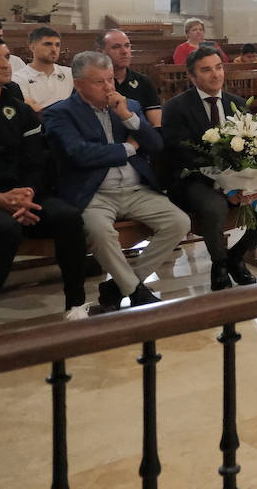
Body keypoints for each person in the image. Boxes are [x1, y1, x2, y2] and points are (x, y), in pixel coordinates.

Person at [44, 51, 190, 311]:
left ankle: (119, 285)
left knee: (179, 222)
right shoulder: (61, 113)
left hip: (136, 189)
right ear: (78, 84)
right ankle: (135, 292)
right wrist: (128, 148)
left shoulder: (129, 106)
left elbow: (156, 144)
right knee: (100, 233)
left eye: (110, 79)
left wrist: (127, 117)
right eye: (99, 82)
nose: (109, 87)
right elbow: (80, 154)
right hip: (94, 193)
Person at [161, 47, 257, 291]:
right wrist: (227, 188)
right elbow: (184, 154)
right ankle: (219, 264)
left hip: (238, 180)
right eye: (206, 70)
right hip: (194, 179)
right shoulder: (175, 108)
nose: (215, 74)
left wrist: (252, 184)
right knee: (215, 206)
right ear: (192, 77)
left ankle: (237, 255)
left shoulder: (237, 104)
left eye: (218, 67)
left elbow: (250, 149)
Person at [0, 34, 88, 336]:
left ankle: (76, 304)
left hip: (21, 196)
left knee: (67, 217)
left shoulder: (21, 111)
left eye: (5, 57)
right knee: (3, 229)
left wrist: (26, 194)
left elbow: (36, 163)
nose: (4, 64)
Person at [103, 29, 162, 126]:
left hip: (139, 135)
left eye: (127, 46)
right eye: (116, 47)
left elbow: (156, 124)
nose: (124, 51)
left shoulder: (144, 82)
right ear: (102, 52)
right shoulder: (96, 84)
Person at [15, 26, 72, 112]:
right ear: (32, 47)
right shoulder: (18, 78)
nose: (54, 49)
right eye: (48, 44)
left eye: (57, 45)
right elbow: (31, 110)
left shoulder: (69, 73)